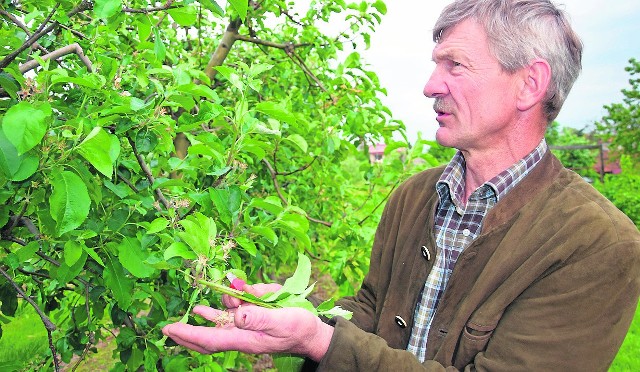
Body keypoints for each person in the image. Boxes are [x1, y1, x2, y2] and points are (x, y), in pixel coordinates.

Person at [162, 0, 640, 370]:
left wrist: (318, 341)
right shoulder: (415, 196)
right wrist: (291, 313)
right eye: (436, 65)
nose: (430, 85)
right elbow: (373, 309)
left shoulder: (599, 244)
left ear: (530, 85)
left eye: (455, 65)